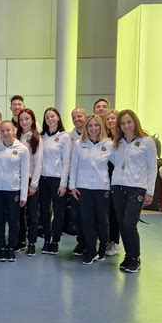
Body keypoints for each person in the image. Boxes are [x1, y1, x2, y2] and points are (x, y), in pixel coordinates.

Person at [110, 109, 157, 273]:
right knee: (122, 224)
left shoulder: (146, 141)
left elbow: (152, 167)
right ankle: (128, 256)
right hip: (117, 187)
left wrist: (150, 191)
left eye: (129, 122)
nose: (126, 125)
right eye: (122, 123)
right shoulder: (117, 143)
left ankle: (135, 257)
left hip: (136, 188)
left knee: (130, 224)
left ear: (135, 122)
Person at [69, 115, 113, 265]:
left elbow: (119, 163)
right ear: (86, 128)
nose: (93, 128)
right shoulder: (78, 144)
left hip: (102, 188)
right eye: (90, 126)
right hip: (83, 188)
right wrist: (72, 186)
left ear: (101, 127)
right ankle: (90, 250)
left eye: (96, 125)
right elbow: (73, 165)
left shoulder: (109, 144)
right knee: (87, 221)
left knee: (102, 220)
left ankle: (102, 249)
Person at [0, 120, 29, 262]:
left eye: (8, 130)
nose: (5, 133)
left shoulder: (22, 149)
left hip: (13, 190)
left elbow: (24, 174)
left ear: (14, 130)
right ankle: (1, 247)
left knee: (14, 221)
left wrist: (23, 194)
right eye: (3, 130)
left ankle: (11, 247)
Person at [39, 107, 71, 255]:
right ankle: (46, 239)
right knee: (45, 211)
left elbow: (66, 162)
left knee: (58, 212)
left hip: (57, 179)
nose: (50, 119)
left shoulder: (64, 137)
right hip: (43, 179)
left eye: (53, 116)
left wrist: (64, 183)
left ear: (58, 118)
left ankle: (55, 241)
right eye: (47, 117)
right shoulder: (42, 136)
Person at [16, 109, 43, 256]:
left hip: (31, 180)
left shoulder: (36, 138)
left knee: (32, 214)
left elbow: (38, 163)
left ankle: (31, 242)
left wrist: (34, 184)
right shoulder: (16, 137)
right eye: (21, 119)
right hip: (17, 181)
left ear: (32, 120)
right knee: (18, 213)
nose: (24, 122)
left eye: (27, 119)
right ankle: (20, 240)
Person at [69, 107, 88, 256]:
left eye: (80, 116)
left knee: (93, 216)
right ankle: (81, 242)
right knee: (78, 215)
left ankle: (94, 244)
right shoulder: (69, 137)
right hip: (75, 181)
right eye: (74, 117)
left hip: (94, 184)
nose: (77, 119)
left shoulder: (95, 134)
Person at [104, 109, 121, 256]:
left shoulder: (124, 139)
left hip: (120, 181)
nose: (110, 121)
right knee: (108, 212)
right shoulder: (106, 139)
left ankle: (115, 241)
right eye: (108, 119)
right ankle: (108, 240)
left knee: (116, 213)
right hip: (106, 180)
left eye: (113, 118)